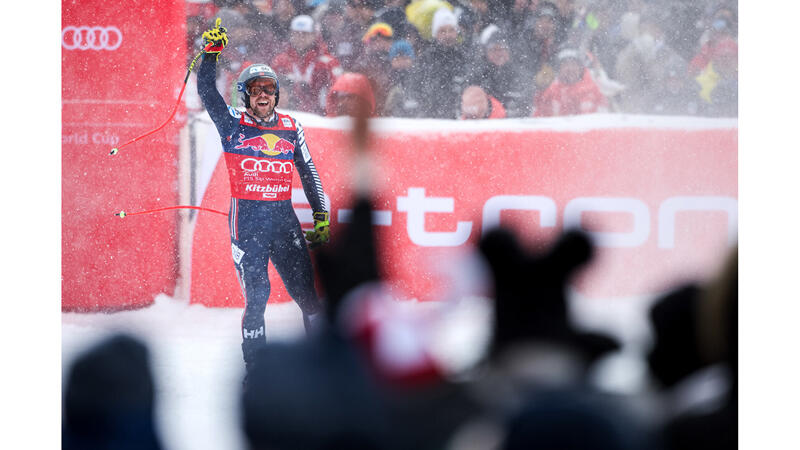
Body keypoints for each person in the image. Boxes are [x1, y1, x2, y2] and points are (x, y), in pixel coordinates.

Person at [196, 20, 330, 374]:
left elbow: (308, 171)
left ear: (277, 93)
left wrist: (321, 216)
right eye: (255, 90)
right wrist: (210, 54)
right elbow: (207, 91)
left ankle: (319, 366)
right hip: (247, 222)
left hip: (284, 222)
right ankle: (255, 371)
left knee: (309, 297)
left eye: (269, 89)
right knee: (257, 299)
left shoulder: (290, 127)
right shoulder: (233, 124)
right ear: (245, 95)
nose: (263, 95)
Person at [271, 14, 343, 115]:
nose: (300, 38)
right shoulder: (281, 61)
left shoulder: (327, 62)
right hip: (288, 116)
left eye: (305, 34)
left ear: (314, 35)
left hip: (321, 117)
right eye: (296, 33)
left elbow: (338, 91)